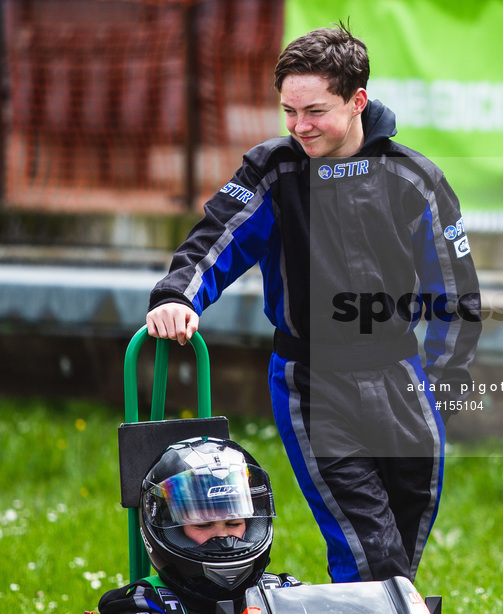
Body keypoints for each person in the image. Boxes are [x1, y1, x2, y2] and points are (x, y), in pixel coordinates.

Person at [144, 22, 482, 584]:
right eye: (288, 112)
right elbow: (217, 238)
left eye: (316, 111)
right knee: (367, 548)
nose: (300, 126)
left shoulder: (415, 179)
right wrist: (179, 295)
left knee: (401, 545)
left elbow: (456, 296)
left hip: (402, 380)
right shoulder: (272, 171)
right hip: (312, 384)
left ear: (357, 102)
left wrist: (441, 388)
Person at [96, 437, 300, 613]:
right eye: (203, 525)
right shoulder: (143, 602)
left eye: (233, 523)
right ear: (172, 529)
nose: (224, 538)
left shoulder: (281, 593)